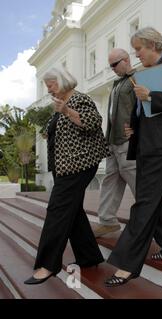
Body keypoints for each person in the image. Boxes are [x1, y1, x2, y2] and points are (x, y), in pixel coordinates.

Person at [105, 27, 162, 287]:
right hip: (145, 144)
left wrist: (151, 96)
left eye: (139, 49)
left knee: (144, 203)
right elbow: (146, 111)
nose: (136, 54)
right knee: (152, 199)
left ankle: (126, 264)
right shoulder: (141, 75)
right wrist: (135, 125)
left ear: (153, 45)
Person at [24, 67, 109, 285]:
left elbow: (92, 122)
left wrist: (67, 112)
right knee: (74, 212)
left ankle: (48, 265)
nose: (48, 89)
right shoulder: (60, 105)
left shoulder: (79, 99)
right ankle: (89, 257)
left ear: (61, 81)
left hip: (79, 164)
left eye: (50, 84)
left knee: (57, 210)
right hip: (64, 167)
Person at [92, 48, 137, 238]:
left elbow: (147, 108)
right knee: (110, 180)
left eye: (114, 64)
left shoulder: (138, 78)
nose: (111, 69)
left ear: (126, 60)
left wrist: (137, 130)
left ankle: (153, 222)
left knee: (138, 183)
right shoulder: (117, 83)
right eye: (109, 65)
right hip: (112, 141)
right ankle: (107, 221)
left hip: (128, 142)